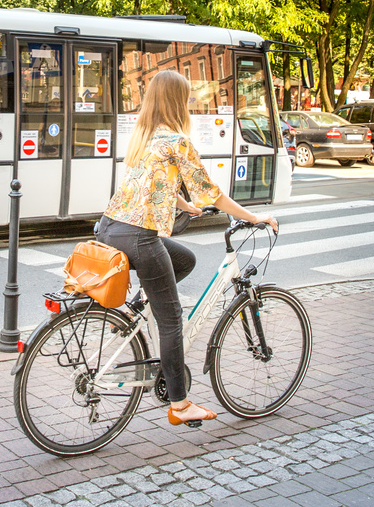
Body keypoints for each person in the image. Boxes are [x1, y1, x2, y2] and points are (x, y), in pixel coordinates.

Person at [95, 70, 278, 427]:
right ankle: (180, 404)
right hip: (140, 237)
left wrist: (186, 207)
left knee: (186, 259)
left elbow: (153, 186)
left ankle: (137, 307)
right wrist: (254, 217)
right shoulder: (177, 140)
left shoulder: (144, 138)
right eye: (188, 97)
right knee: (172, 321)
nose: (191, 103)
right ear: (177, 101)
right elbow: (213, 192)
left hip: (110, 229)